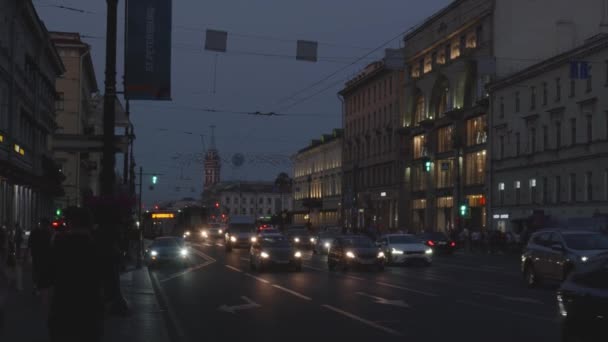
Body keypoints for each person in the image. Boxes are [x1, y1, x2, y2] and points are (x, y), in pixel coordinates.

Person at [48, 208, 103, 342]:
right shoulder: (96, 245)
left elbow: (48, 278)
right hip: (89, 309)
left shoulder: (59, 244)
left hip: (62, 307)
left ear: (70, 223)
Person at [27, 219, 53, 295]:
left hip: (36, 255)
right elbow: (51, 245)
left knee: (36, 270)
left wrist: (27, 254)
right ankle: (41, 287)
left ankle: (37, 286)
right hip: (44, 256)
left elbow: (29, 243)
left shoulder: (35, 232)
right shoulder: (49, 233)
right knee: (41, 271)